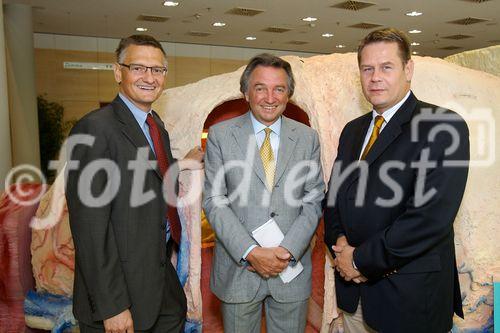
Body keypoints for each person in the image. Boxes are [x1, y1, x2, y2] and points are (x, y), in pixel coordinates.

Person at [324, 28, 469, 333]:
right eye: (367, 69)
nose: (375, 77)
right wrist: (339, 243)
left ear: (408, 69)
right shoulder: (353, 131)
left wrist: (360, 260)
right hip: (354, 296)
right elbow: (335, 198)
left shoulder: (443, 126)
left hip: (409, 301)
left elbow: (428, 219)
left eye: (386, 67)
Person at [65, 34, 203, 333]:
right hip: (119, 295)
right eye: (138, 68)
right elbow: (90, 228)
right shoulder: (94, 129)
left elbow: (150, 178)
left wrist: (184, 164)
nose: (149, 78)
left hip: (160, 286)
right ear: (118, 72)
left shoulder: (156, 127)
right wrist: (112, 306)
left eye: (157, 70)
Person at [203, 53, 325, 333]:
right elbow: (214, 201)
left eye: (279, 89)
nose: (270, 97)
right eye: (261, 88)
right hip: (239, 269)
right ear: (246, 92)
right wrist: (251, 252)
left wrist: (287, 251)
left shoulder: (308, 138)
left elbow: (314, 198)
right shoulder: (221, 136)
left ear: (289, 94)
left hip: (290, 270)